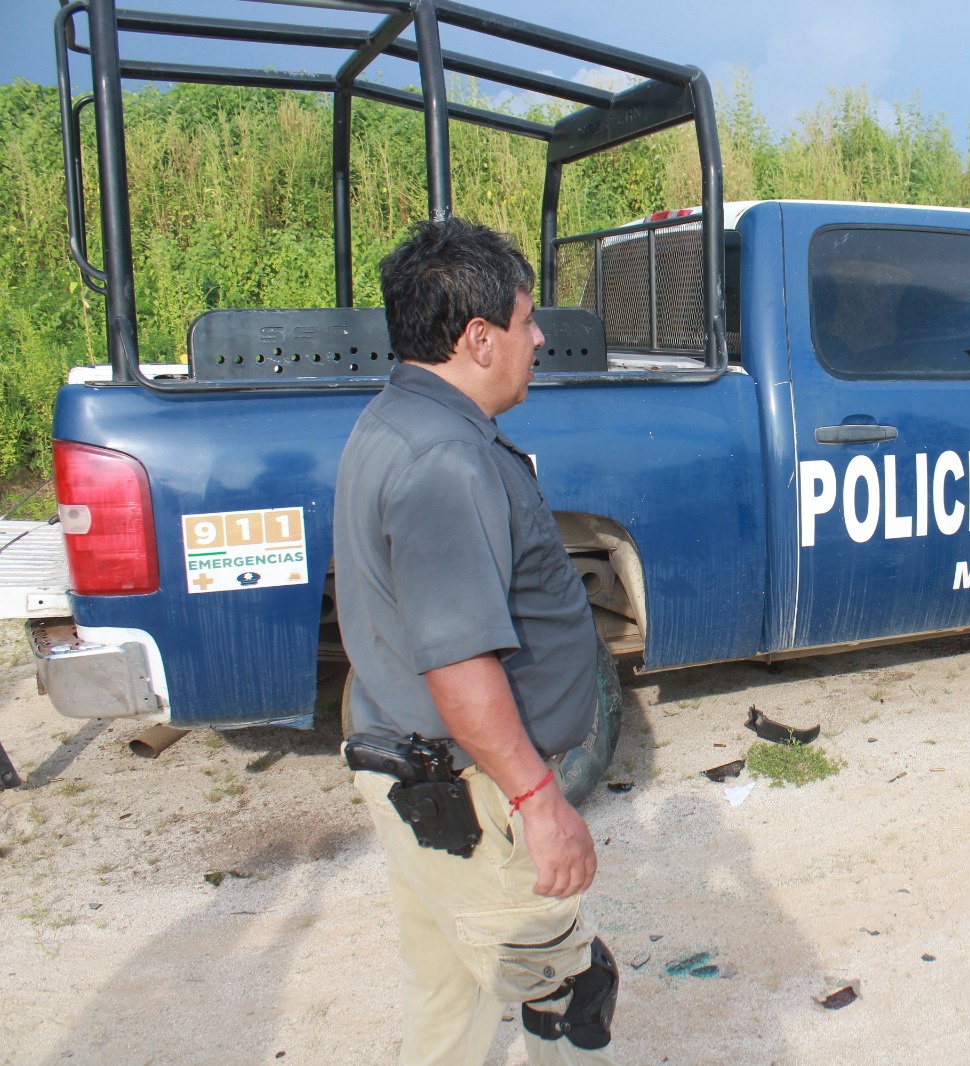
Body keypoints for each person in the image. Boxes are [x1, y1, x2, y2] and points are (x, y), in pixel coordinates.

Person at [334, 217, 618, 1064]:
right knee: (566, 997)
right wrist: (540, 805)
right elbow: (458, 663)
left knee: (450, 995)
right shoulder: (443, 463)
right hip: (464, 791)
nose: (539, 339)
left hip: (411, 771)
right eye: (529, 322)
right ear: (478, 338)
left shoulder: (394, 420)